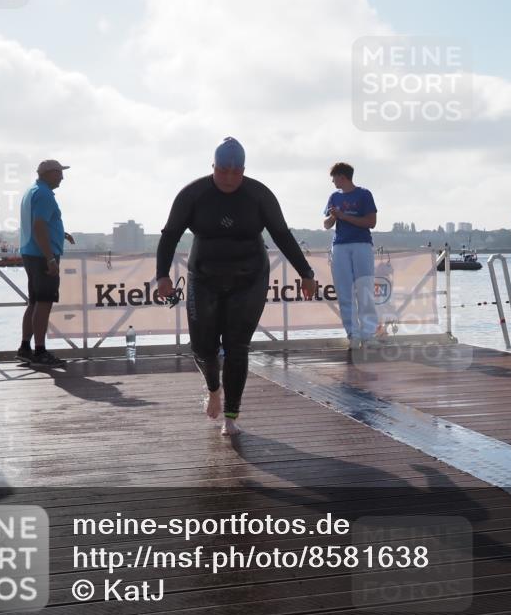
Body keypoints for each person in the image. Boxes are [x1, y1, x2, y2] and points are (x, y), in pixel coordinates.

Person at [155, 137, 316, 436]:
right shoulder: (193, 194)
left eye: (236, 172)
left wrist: (306, 273)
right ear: (213, 166)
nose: (229, 178)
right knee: (203, 347)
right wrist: (162, 275)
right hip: (204, 277)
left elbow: (282, 235)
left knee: (237, 346)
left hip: (249, 277)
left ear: (243, 169)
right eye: (223, 171)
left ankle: (231, 416)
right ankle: (213, 389)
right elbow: (170, 235)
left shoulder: (259, 195)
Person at [17, 160, 75, 368]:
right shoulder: (44, 195)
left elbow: (41, 223)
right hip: (42, 256)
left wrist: (61, 233)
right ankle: (40, 351)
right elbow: (39, 226)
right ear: (49, 173)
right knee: (44, 302)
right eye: (59, 173)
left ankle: (25, 348)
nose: (62, 177)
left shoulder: (32, 191)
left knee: (34, 302)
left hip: (31, 253)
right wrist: (50, 258)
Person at [323, 162, 379, 348]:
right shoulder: (334, 197)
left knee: (365, 289)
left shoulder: (364, 194)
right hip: (340, 246)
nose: (332, 181)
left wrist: (344, 216)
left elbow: (371, 222)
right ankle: (353, 334)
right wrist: (333, 216)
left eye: (334, 177)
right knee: (344, 291)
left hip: (362, 245)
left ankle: (368, 335)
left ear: (342, 176)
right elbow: (326, 224)